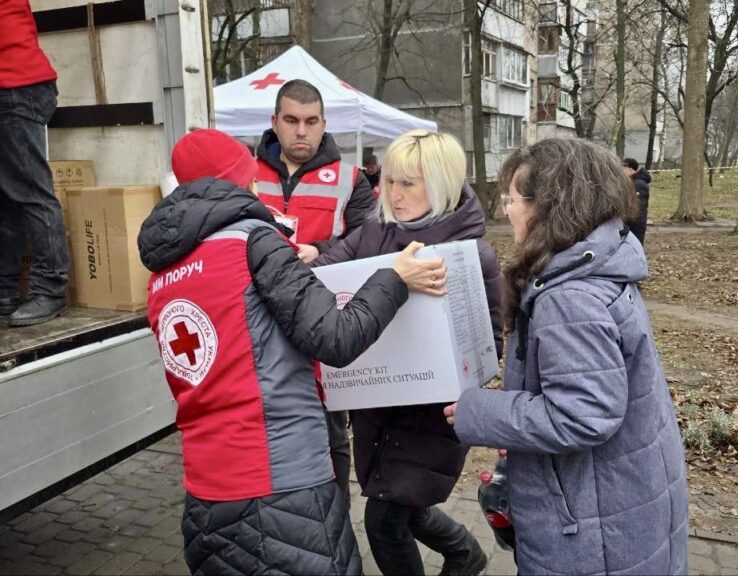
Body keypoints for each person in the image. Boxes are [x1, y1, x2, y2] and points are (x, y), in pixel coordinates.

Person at [137, 128, 447, 576]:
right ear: (243, 182)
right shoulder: (253, 241)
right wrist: (393, 278)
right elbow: (337, 337)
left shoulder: (164, 270)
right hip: (282, 481)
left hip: (204, 491)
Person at [445, 139, 688, 576]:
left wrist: (477, 410)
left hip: (593, 530)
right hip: (621, 501)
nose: (506, 211)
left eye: (512, 199)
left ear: (552, 205)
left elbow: (583, 414)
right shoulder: (601, 263)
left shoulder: (569, 297)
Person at [311, 129, 503, 576]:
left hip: (430, 419)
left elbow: (490, 344)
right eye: (390, 181)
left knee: (385, 519)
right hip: (376, 409)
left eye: (408, 183)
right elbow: (320, 276)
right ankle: (465, 555)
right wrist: (308, 256)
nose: (393, 195)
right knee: (403, 504)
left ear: (440, 184)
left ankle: (464, 557)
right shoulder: (371, 234)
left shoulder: (472, 254)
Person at [253, 79, 375, 504]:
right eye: (291, 120)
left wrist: (320, 251)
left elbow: (368, 242)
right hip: (259, 323)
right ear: (274, 123)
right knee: (265, 428)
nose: (300, 131)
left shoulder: (350, 179)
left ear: (324, 124)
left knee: (331, 432)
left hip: (324, 322)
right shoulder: (245, 174)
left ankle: (335, 518)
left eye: (310, 121)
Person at [0, 0, 69, 326]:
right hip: (17, 84)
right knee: (7, 197)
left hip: (15, 85)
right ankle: (5, 288)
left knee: (31, 191)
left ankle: (51, 287)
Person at [623, 157, 652, 245]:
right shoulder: (632, 183)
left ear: (631, 169)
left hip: (635, 226)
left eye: (623, 169)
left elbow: (638, 208)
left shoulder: (638, 185)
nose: (621, 172)